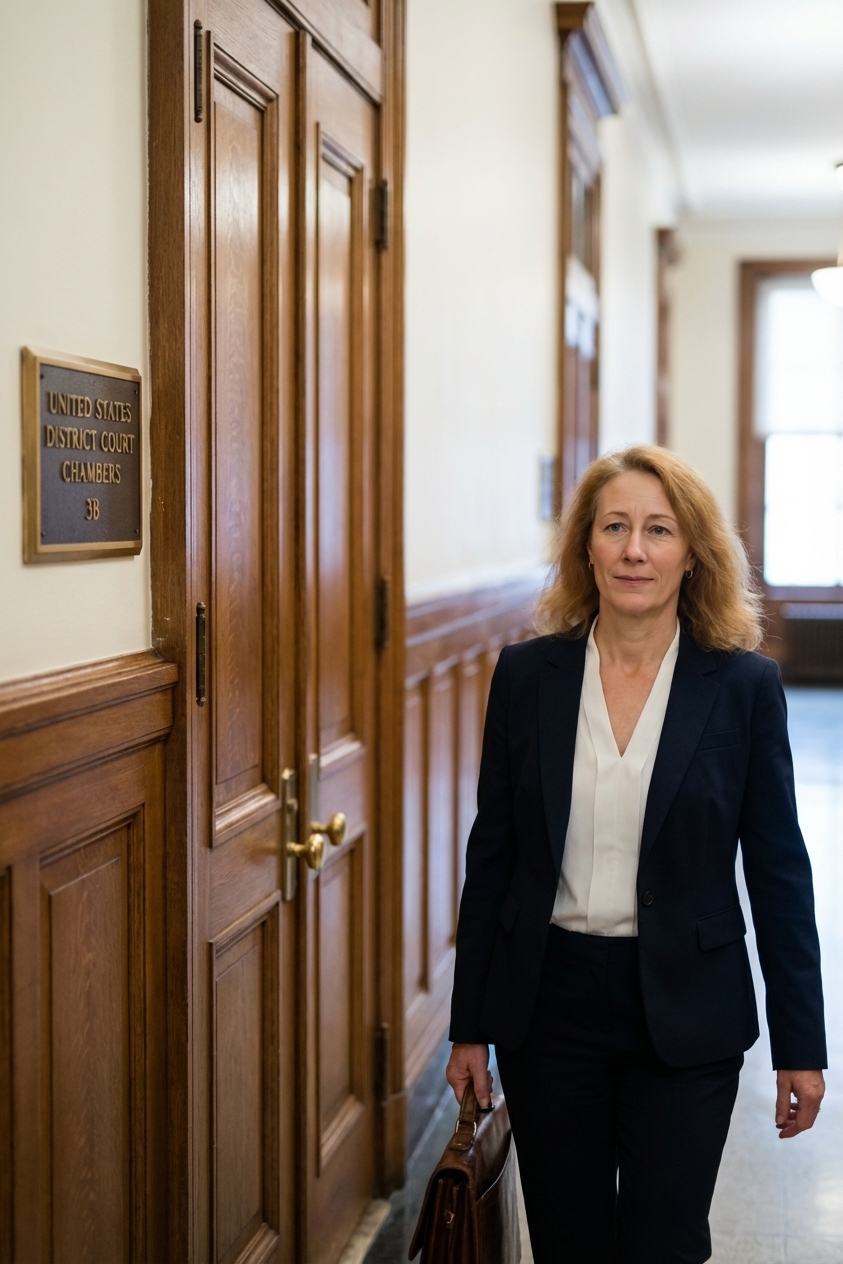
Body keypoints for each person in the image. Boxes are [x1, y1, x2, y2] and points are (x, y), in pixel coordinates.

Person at [445, 446, 826, 1264]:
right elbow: (494, 858)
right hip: (549, 1006)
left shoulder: (741, 686)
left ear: (692, 552)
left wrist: (802, 1044)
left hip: (689, 1013)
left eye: (658, 530)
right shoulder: (525, 676)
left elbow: (779, 872)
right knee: (568, 1239)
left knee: (664, 1241)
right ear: (585, 544)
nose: (633, 550)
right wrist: (468, 1026)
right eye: (614, 527)